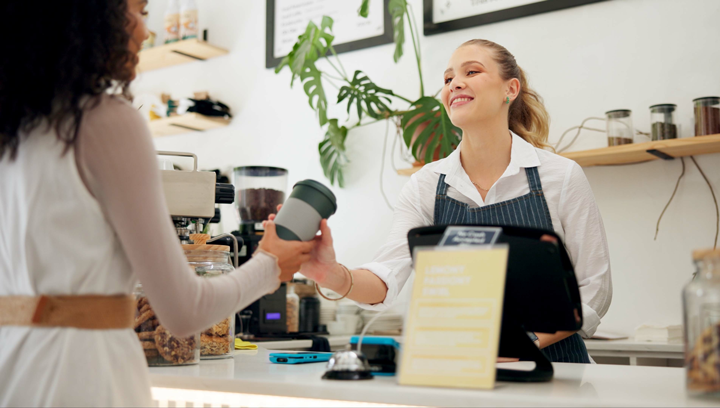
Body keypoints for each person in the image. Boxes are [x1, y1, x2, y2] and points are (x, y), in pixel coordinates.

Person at [0, 1, 315, 406]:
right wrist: (269, 266)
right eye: (139, 12)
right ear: (90, 16)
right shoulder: (105, 121)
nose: (144, 32)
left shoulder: (14, 134)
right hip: (84, 378)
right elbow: (184, 310)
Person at [289, 39, 612, 363]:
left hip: (560, 372)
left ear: (509, 89)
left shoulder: (561, 176)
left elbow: (594, 288)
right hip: (465, 371)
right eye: (447, 79)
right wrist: (331, 274)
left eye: (472, 71)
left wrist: (523, 344)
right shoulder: (426, 186)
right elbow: (386, 277)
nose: (455, 83)